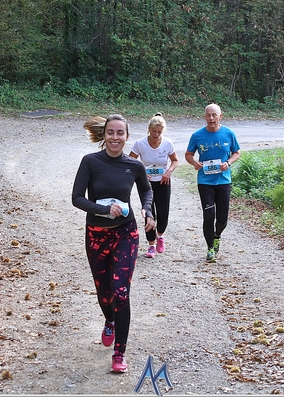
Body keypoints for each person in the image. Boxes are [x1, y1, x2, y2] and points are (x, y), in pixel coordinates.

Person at [72, 114, 156, 374]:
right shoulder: (90, 162)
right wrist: (103, 209)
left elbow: (146, 190)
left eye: (120, 133)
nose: (115, 137)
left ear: (127, 136)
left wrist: (147, 211)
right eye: (111, 132)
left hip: (125, 234)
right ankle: (109, 320)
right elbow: (77, 198)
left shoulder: (134, 165)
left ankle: (119, 353)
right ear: (104, 135)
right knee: (104, 293)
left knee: (121, 293)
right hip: (96, 235)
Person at [184, 103, 240, 263]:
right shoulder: (197, 135)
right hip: (205, 181)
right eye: (208, 115)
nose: (211, 118)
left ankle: (217, 235)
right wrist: (195, 163)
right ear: (205, 117)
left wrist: (228, 163)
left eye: (214, 115)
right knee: (209, 216)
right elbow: (188, 154)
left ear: (220, 116)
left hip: (223, 181)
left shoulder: (229, 133)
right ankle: (210, 249)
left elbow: (237, 152)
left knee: (222, 220)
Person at [128, 113, 179, 258]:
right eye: (153, 131)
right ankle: (151, 245)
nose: (156, 135)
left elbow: (175, 160)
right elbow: (130, 160)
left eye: (159, 132)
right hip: (146, 184)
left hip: (163, 182)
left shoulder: (167, 143)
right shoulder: (140, 143)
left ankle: (160, 236)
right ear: (148, 129)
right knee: (149, 213)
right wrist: (142, 172)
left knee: (163, 215)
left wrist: (168, 172)